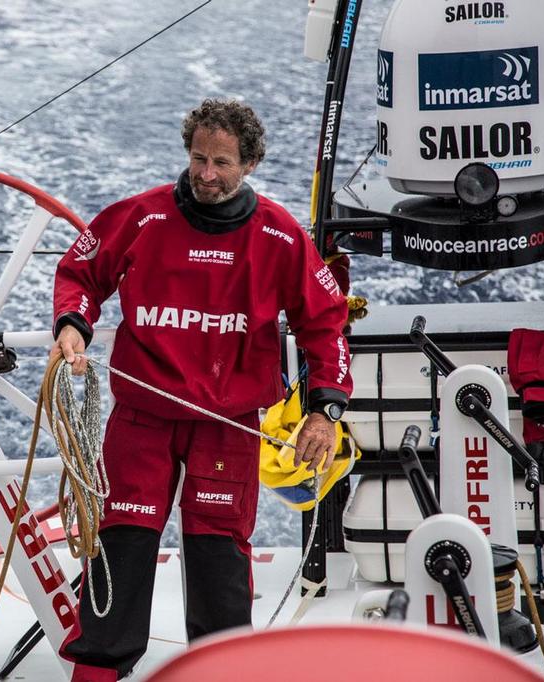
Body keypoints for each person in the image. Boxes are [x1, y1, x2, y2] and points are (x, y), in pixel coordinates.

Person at [49, 98, 352, 682]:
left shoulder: (282, 238)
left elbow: (325, 323)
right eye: (197, 158)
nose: (206, 174)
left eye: (221, 162)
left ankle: (220, 669)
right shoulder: (141, 217)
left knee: (218, 554)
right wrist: (72, 323)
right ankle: (98, 671)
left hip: (228, 423)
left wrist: (325, 408)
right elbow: (80, 273)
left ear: (251, 165)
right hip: (143, 415)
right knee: (123, 542)